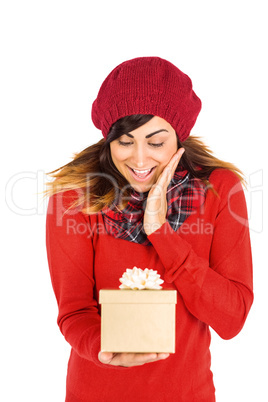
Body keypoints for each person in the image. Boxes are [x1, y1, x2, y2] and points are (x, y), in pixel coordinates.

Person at [46, 56, 254, 402]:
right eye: (125, 142)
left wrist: (160, 230)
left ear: (179, 137)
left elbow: (231, 320)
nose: (139, 161)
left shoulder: (220, 189)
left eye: (156, 143)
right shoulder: (74, 197)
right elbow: (74, 312)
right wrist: (107, 348)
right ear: (107, 139)